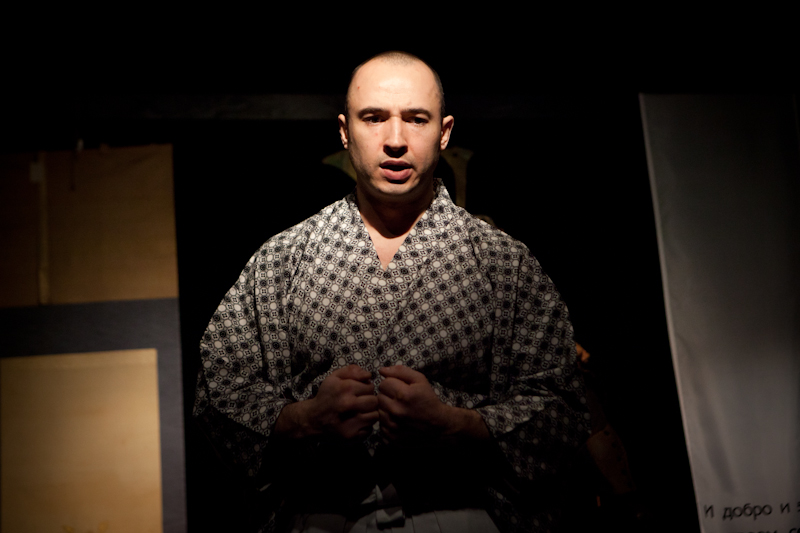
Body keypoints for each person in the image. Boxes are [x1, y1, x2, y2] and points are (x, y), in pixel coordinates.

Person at [194, 51, 590, 533]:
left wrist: (456, 424)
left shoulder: (502, 262)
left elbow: (563, 404)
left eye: (416, 119)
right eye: (374, 118)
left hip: (459, 508)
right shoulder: (283, 258)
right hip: (320, 511)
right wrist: (304, 419)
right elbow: (219, 388)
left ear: (444, 132)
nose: (396, 140)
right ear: (345, 132)